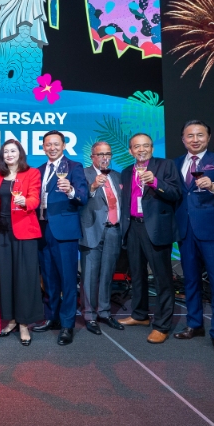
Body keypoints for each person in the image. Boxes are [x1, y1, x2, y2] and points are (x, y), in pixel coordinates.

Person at [173, 120, 214, 359]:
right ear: (183, 139)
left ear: (208, 138)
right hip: (185, 230)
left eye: (200, 135)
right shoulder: (176, 163)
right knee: (190, 280)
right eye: (190, 135)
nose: (195, 139)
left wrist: (213, 186)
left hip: (212, 231)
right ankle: (194, 324)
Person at [118, 133, 181, 344]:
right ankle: (139, 314)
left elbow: (175, 193)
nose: (141, 149)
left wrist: (154, 182)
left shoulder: (165, 165)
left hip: (155, 228)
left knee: (162, 278)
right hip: (133, 227)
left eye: (146, 146)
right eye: (137, 146)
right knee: (137, 274)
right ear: (131, 151)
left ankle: (162, 325)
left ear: (152, 149)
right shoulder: (126, 172)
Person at [33, 130, 88, 346]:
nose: (52, 148)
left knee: (67, 279)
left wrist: (71, 190)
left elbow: (83, 196)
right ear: (43, 147)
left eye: (56, 144)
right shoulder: (38, 170)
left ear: (64, 146)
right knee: (48, 278)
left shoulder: (74, 167)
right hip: (42, 229)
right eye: (48, 144)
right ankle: (51, 317)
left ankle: (67, 324)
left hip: (64, 231)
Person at [0, 139, 43, 346]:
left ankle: (24, 324)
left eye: (13, 151)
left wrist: (26, 202)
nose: (9, 154)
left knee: (24, 278)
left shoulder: (32, 173)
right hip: (3, 232)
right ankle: (11, 319)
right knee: (6, 278)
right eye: (6, 152)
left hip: (24, 232)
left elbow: (35, 198)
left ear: (20, 153)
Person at [79, 141, 126, 335]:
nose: (104, 158)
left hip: (114, 230)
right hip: (91, 230)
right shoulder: (83, 174)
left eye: (108, 154)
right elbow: (78, 199)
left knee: (108, 274)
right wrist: (92, 187)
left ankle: (104, 312)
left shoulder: (117, 176)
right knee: (90, 275)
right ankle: (89, 315)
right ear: (92, 157)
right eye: (100, 154)